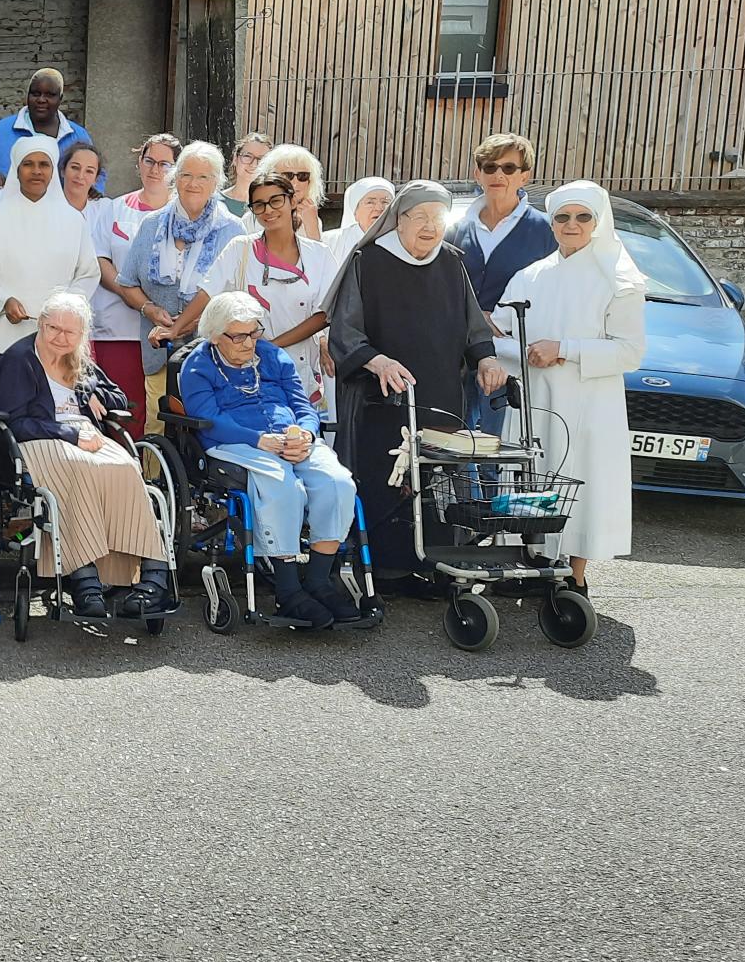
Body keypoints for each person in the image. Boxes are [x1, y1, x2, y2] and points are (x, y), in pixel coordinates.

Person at [325, 180, 509, 589]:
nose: (430, 226)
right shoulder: (368, 261)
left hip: (441, 392)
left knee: (437, 479)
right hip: (382, 397)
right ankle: (386, 569)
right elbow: (344, 331)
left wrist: (487, 357)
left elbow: (472, 325)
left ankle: (436, 565)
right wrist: (377, 360)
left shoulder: (450, 262)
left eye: (438, 218)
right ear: (399, 221)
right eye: (420, 217)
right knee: (387, 476)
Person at [179, 291, 363, 628]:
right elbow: (207, 417)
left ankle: (319, 580)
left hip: (290, 438)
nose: (249, 343)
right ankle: (289, 590)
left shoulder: (272, 355)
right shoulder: (198, 365)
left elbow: (302, 402)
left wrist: (306, 434)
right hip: (235, 442)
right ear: (216, 337)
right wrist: (258, 439)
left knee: (337, 482)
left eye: (254, 332)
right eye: (239, 336)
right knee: (282, 485)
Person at [497, 182, 646, 594]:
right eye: (562, 217)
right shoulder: (530, 275)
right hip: (535, 397)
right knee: (533, 477)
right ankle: (531, 565)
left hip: (590, 403)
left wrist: (565, 349)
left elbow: (630, 352)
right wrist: (524, 351)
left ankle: (573, 578)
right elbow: (495, 330)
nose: (572, 225)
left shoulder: (620, 280)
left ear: (598, 222)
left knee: (581, 483)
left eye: (583, 217)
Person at [0, 292, 173, 619]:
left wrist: (91, 395)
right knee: (80, 468)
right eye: (53, 328)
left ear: (82, 334)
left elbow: (118, 397)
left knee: (127, 467)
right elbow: (17, 422)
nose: (60, 337)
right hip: (41, 438)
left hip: (85, 434)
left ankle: (154, 575)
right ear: (41, 325)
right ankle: (85, 579)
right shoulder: (20, 359)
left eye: (70, 332)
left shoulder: (80, 359)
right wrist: (71, 433)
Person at [165, 169, 338, 413]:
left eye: (276, 201)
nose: (268, 210)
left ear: (291, 201)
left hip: (299, 361)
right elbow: (208, 292)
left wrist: (272, 347)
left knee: (301, 430)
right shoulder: (241, 248)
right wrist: (176, 328)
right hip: (247, 361)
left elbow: (326, 313)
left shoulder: (319, 255)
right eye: (259, 205)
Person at [123, 141, 241, 435]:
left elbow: (238, 295)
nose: (193, 183)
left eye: (203, 176)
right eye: (187, 175)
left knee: (204, 423)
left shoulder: (233, 230)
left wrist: (198, 321)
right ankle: (155, 480)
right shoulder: (152, 224)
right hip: (157, 345)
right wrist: (149, 309)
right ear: (175, 178)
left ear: (216, 182)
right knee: (157, 420)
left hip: (211, 347)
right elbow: (127, 283)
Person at [448, 132, 555, 435]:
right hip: (455, 353)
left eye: (509, 168)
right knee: (454, 445)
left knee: (498, 448)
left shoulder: (545, 231)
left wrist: (497, 319)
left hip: (511, 359)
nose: (498, 174)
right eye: (489, 166)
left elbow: (553, 292)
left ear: (525, 176)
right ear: (477, 173)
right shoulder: (455, 226)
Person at [0, 135, 99, 352]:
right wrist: (3, 301)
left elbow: (89, 273)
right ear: (17, 169)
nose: (36, 171)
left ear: (53, 170)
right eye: (28, 164)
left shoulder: (73, 220)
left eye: (44, 164)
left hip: (58, 333)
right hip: (4, 332)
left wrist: (63, 308)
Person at [81, 134, 177, 435]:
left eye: (164, 164)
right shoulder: (114, 208)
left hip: (164, 329)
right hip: (116, 327)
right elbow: (100, 258)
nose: (155, 169)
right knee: (121, 408)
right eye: (149, 161)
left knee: (156, 412)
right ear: (139, 163)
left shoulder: (181, 214)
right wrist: (130, 295)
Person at [0, 68, 96, 189]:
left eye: (50, 95)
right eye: (35, 93)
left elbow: (96, 170)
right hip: (10, 204)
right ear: (27, 96)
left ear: (60, 99)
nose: (41, 100)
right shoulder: (1, 130)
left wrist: (92, 192)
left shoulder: (77, 135)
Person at [252, 143, 327, 242]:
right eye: (288, 175)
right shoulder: (256, 215)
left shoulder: (311, 216)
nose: (295, 183)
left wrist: (312, 228)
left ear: (310, 181)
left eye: (302, 176)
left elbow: (318, 256)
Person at [330, 177, 397, 261]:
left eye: (385, 202)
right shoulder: (332, 241)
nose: (379, 208)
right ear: (355, 212)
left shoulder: (402, 243)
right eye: (370, 202)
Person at [226, 131, 274, 217]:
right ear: (235, 159)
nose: (253, 164)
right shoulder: (215, 202)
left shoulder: (274, 206)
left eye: (261, 159)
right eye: (247, 156)